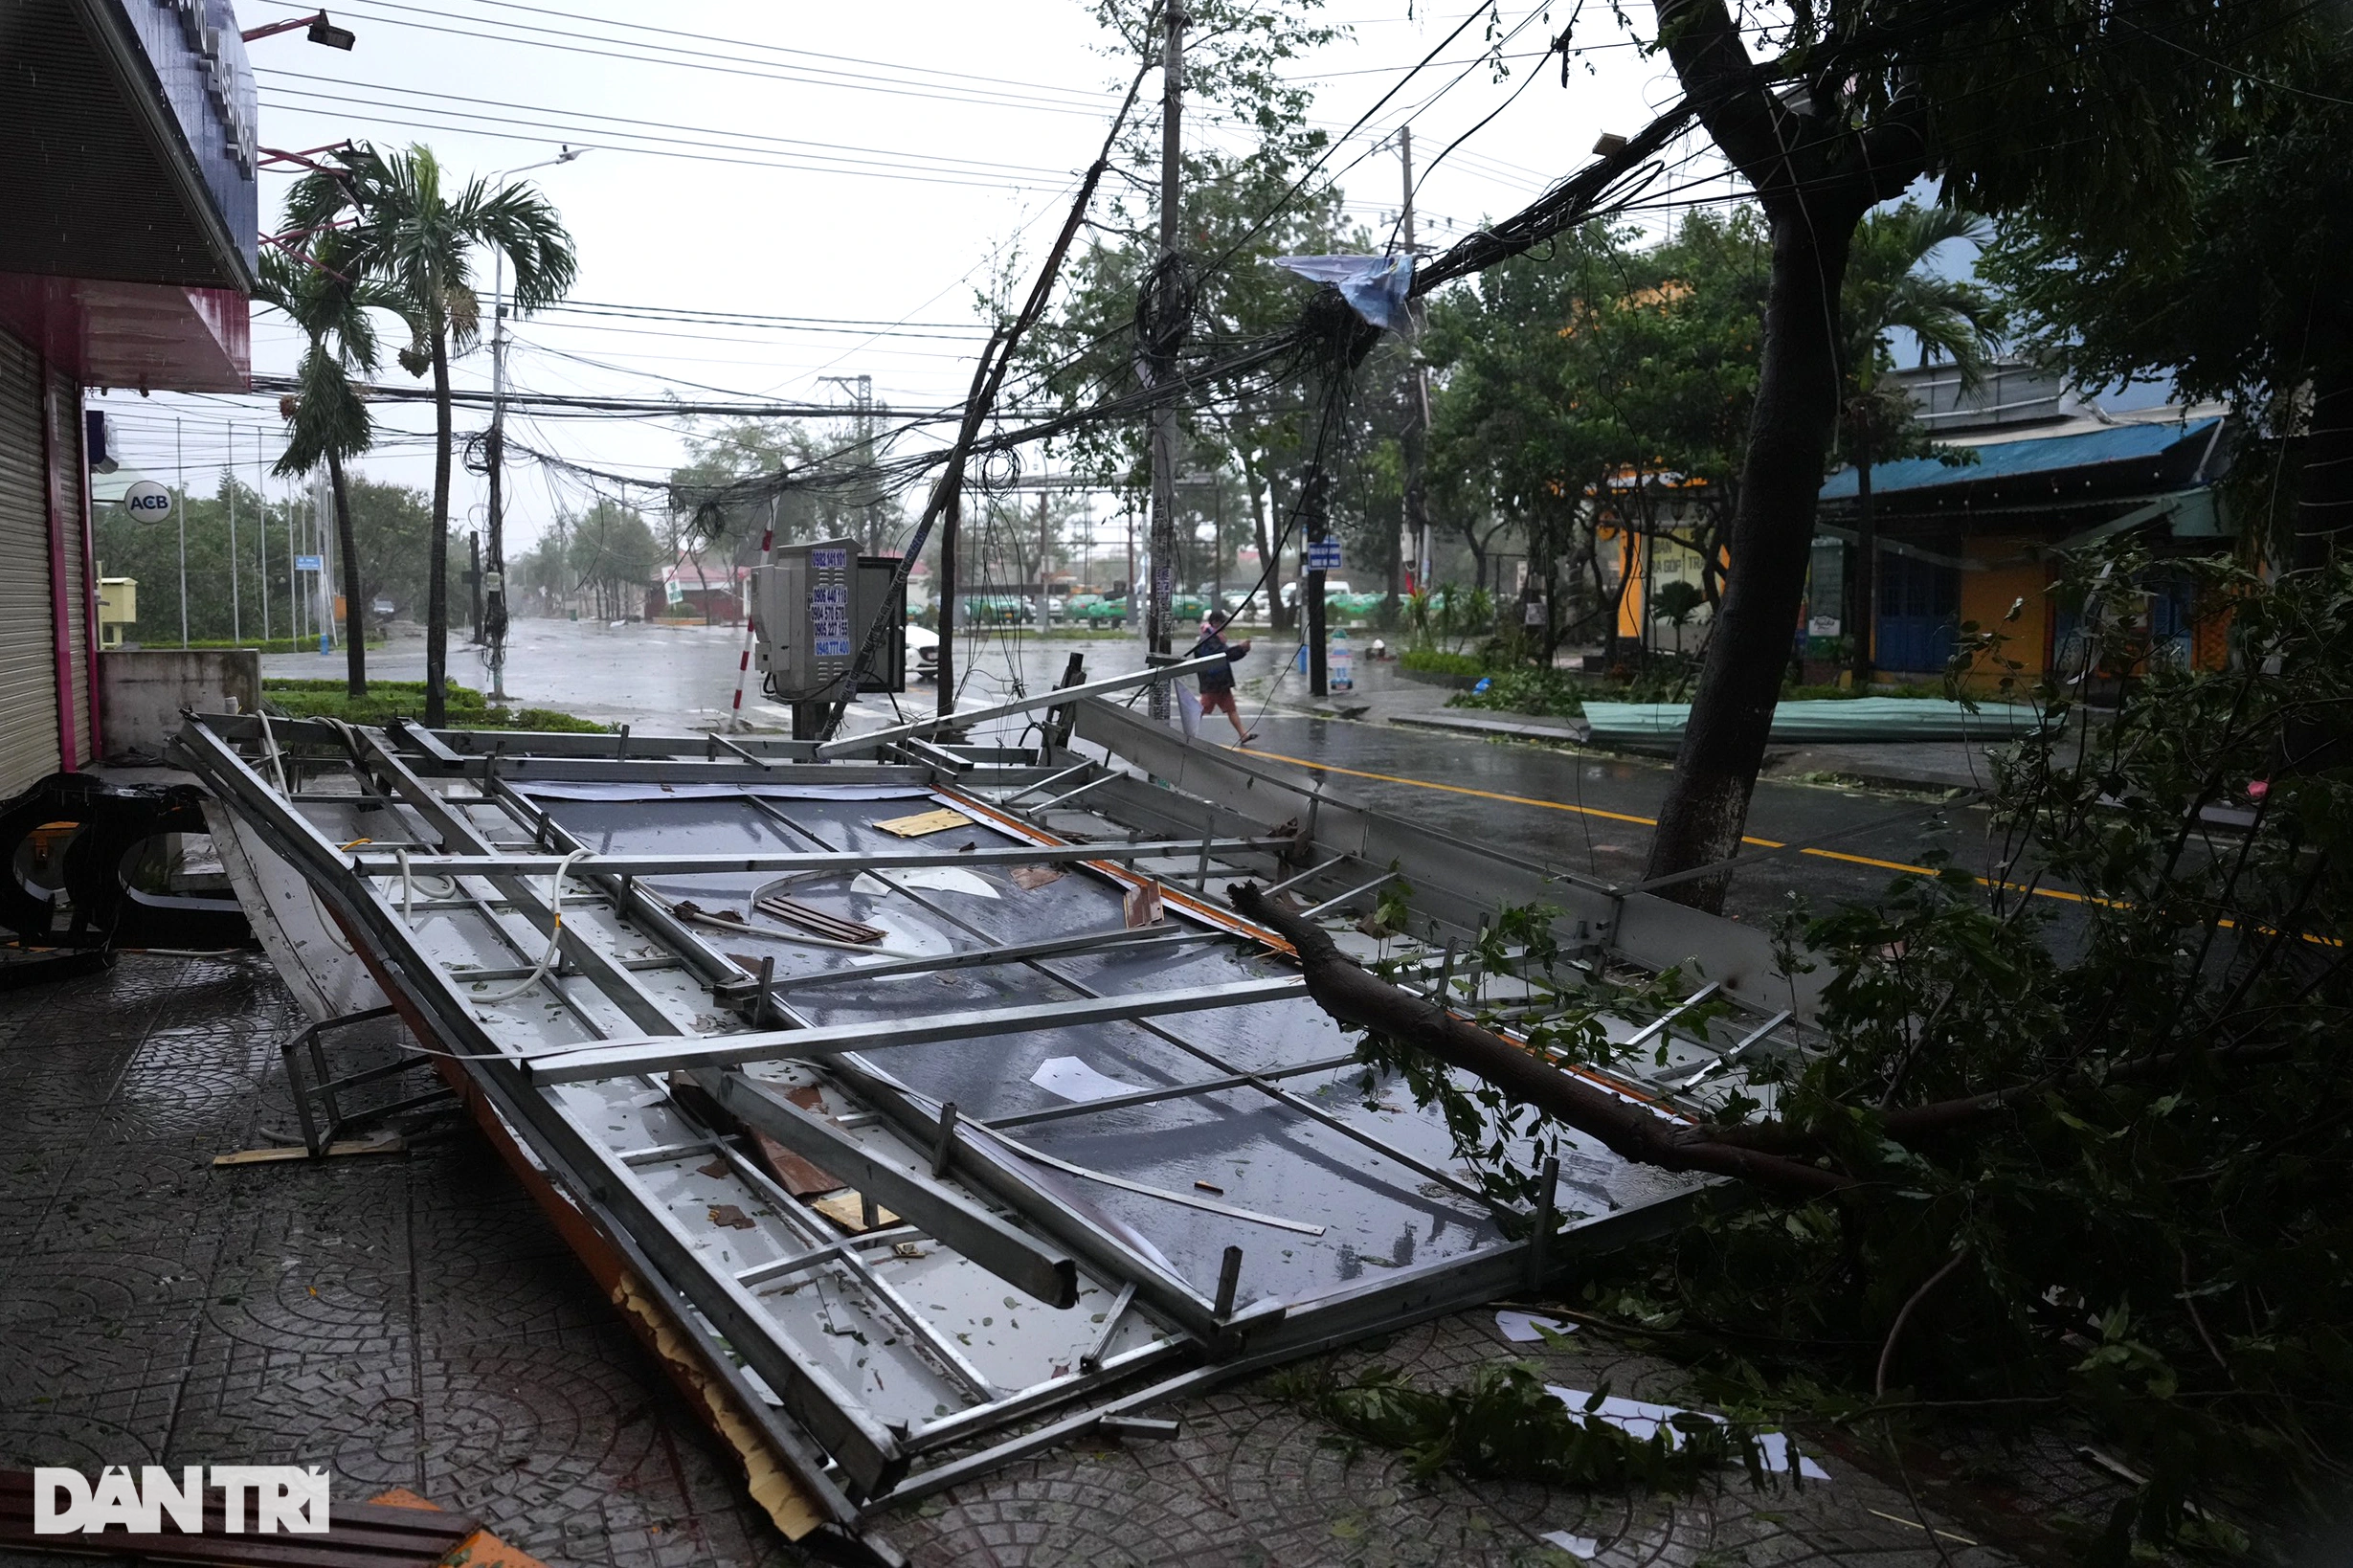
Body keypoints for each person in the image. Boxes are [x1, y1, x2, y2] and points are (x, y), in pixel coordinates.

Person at [1193, 613, 1256, 746]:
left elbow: (1227, 656)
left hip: (1220, 681)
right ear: (1215, 622)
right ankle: (1187, 732)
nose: (1225, 626)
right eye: (1223, 623)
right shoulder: (1208, 638)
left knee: (1230, 708)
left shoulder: (1214, 637)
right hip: (1213, 681)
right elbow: (1223, 655)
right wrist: (1241, 648)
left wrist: (1242, 650)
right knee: (1201, 710)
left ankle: (1243, 734)